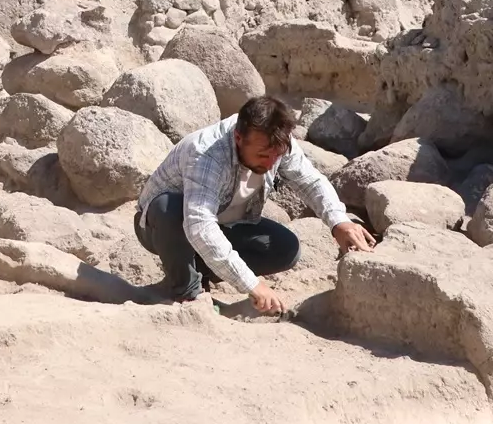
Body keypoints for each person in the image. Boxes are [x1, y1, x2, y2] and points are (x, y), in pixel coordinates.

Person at [134, 95, 376, 315]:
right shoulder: (207, 153)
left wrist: (339, 222)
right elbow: (199, 226)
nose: (271, 163)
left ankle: (198, 271)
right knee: (169, 207)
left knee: (285, 248)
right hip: (160, 226)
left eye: (276, 155)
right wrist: (252, 284)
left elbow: (310, 181)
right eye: (263, 155)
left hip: (224, 222)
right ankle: (187, 293)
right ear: (239, 138)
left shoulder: (277, 140)